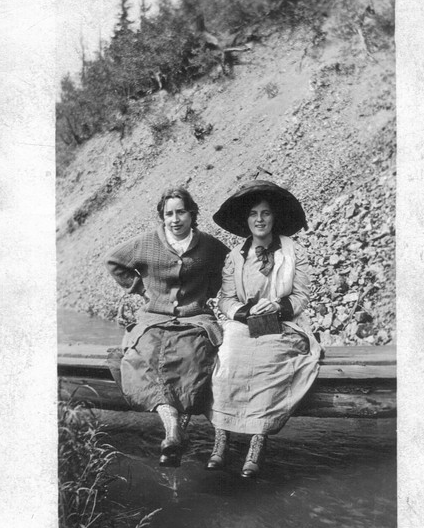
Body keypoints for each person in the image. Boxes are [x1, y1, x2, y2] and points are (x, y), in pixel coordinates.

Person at [105, 186, 229, 466]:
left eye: (181, 212)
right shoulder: (147, 242)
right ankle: (173, 428)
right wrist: (139, 288)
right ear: (162, 217)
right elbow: (113, 260)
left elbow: (230, 265)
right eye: (169, 213)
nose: (175, 219)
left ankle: (175, 433)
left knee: (194, 357)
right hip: (154, 318)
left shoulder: (209, 245)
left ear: (192, 214)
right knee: (143, 357)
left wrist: (208, 290)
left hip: (194, 318)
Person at [207, 180, 321, 478]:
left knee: (270, 361)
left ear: (274, 218)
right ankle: (221, 437)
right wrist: (244, 312)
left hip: (283, 323)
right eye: (254, 213)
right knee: (228, 359)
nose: (260, 219)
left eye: (266, 213)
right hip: (243, 323)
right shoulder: (235, 256)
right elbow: (226, 298)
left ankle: (258, 439)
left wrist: (278, 307)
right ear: (246, 220)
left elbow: (302, 296)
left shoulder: (293, 251)